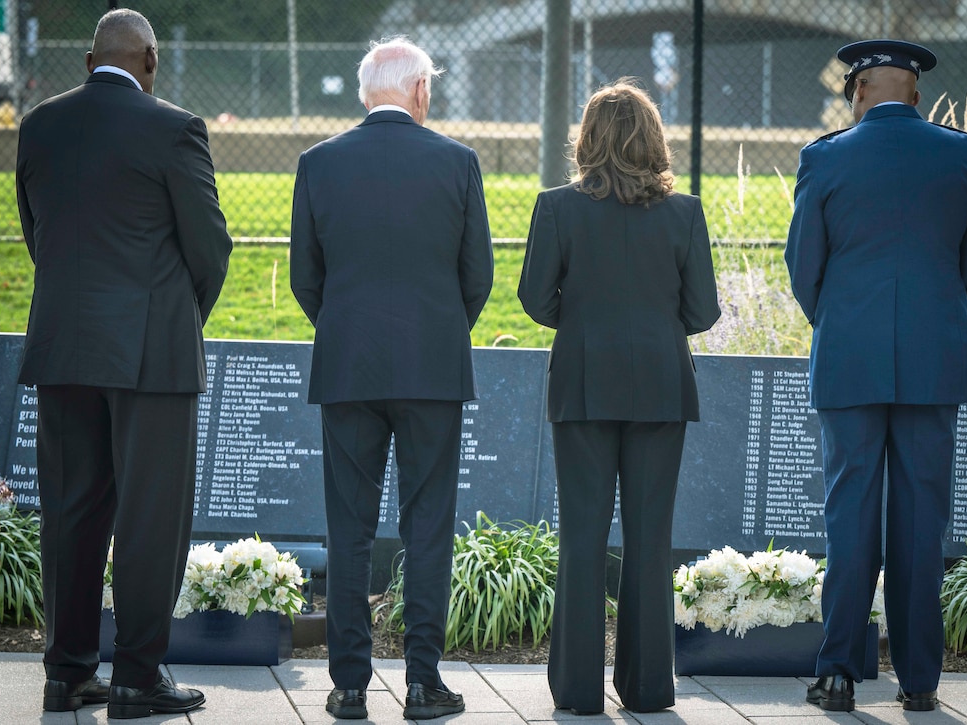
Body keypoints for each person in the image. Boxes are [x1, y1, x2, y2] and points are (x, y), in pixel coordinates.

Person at [15, 8, 232, 720]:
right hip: (151, 354)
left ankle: (67, 672)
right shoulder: (174, 128)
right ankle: (138, 675)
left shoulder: (40, 125)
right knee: (149, 517)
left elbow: (36, 232)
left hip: (63, 345)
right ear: (150, 60)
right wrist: (176, 319)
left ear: (88, 61)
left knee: (70, 513)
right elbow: (210, 247)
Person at [290, 36, 493, 721]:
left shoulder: (317, 164)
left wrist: (349, 327)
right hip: (433, 367)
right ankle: (422, 681)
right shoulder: (458, 162)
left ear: (364, 92)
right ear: (421, 92)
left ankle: (349, 685)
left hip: (347, 365)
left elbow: (304, 278)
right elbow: (477, 277)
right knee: (428, 525)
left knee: (347, 528)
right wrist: (435, 329)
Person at [785, 40, 967, 713]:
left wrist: (840, 322)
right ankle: (920, 680)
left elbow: (803, 267)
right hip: (935, 361)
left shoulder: (824, 157)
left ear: (858, 92)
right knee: (921, 523)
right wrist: (935, 320)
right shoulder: (962, 153)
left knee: (849, 516)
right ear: (918, 94)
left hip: (848, 359)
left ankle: (839, 671)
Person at [518, 80, 720, 715]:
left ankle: (578, 692)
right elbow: (703, 310)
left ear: (587, 140)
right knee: (651, 539)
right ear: (654, 138)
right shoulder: (685, 212)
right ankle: (649, 688)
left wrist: (582, 323)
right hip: (661, 385)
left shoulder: (556, 207)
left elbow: (533, 299)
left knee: (581, 537)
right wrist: (656, 329)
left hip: (581, 385)